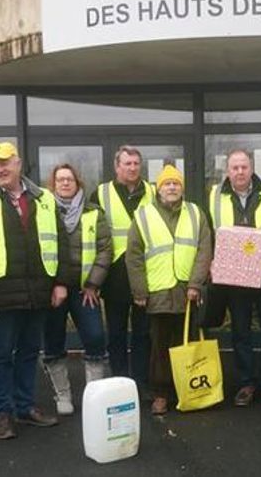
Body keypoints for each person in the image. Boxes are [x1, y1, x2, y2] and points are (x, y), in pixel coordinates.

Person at [0, 142, 69, 440]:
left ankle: (24, 407)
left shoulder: (44, 198)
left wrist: (60, 282)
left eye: (5, 162)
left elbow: (60, 241)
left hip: (38, 292)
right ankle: (2, 413)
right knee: (1, 356)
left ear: (18, 163)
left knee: (28, 353)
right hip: (0, 295)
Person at [209, 149, 261, 411]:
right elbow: (207, 232)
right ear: (227, 171)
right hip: (235, 279)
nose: (240, 172)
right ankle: (246, 384)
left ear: (252, 168)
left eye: (244, 167)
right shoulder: (214, 195)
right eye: (234, 168)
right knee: (241, 334)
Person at [126, 165, 212, 415]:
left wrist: (196, 283)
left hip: (188, 292)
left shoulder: (196, 213)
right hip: (158, 292)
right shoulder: (143, 215)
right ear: (158, 188)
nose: (172, 187)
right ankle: (161, 394)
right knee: (160, 346)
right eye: (167, 184)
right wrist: (139, 291)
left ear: (182, 187)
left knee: (187, 342)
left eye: (176, 183)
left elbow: (204, 250)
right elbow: (133, 257)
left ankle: (188, 390)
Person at [41, 164, 112, 416]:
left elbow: (105, 248)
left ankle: (93, 395)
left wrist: (94, 283)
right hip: (53, 291)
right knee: (53, 341)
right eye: (60, 180)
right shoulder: (43, 211)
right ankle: (62, 395)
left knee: (94, 337)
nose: (65, 183)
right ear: (53, 184)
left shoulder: (93, 212)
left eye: (69, 179)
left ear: (77, 182)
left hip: (85, 290)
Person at [90, 146, 156, 389]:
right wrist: (93, 279)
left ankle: (141, 382)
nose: (132, 168)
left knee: (143, 333)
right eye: (127, 163)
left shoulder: (153, 192)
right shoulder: (100, 193)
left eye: (136, 163)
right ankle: (120, 382)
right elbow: (91, 236)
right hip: (114, 274)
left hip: (145, 272)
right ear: (117, 166)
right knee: (116, 333)